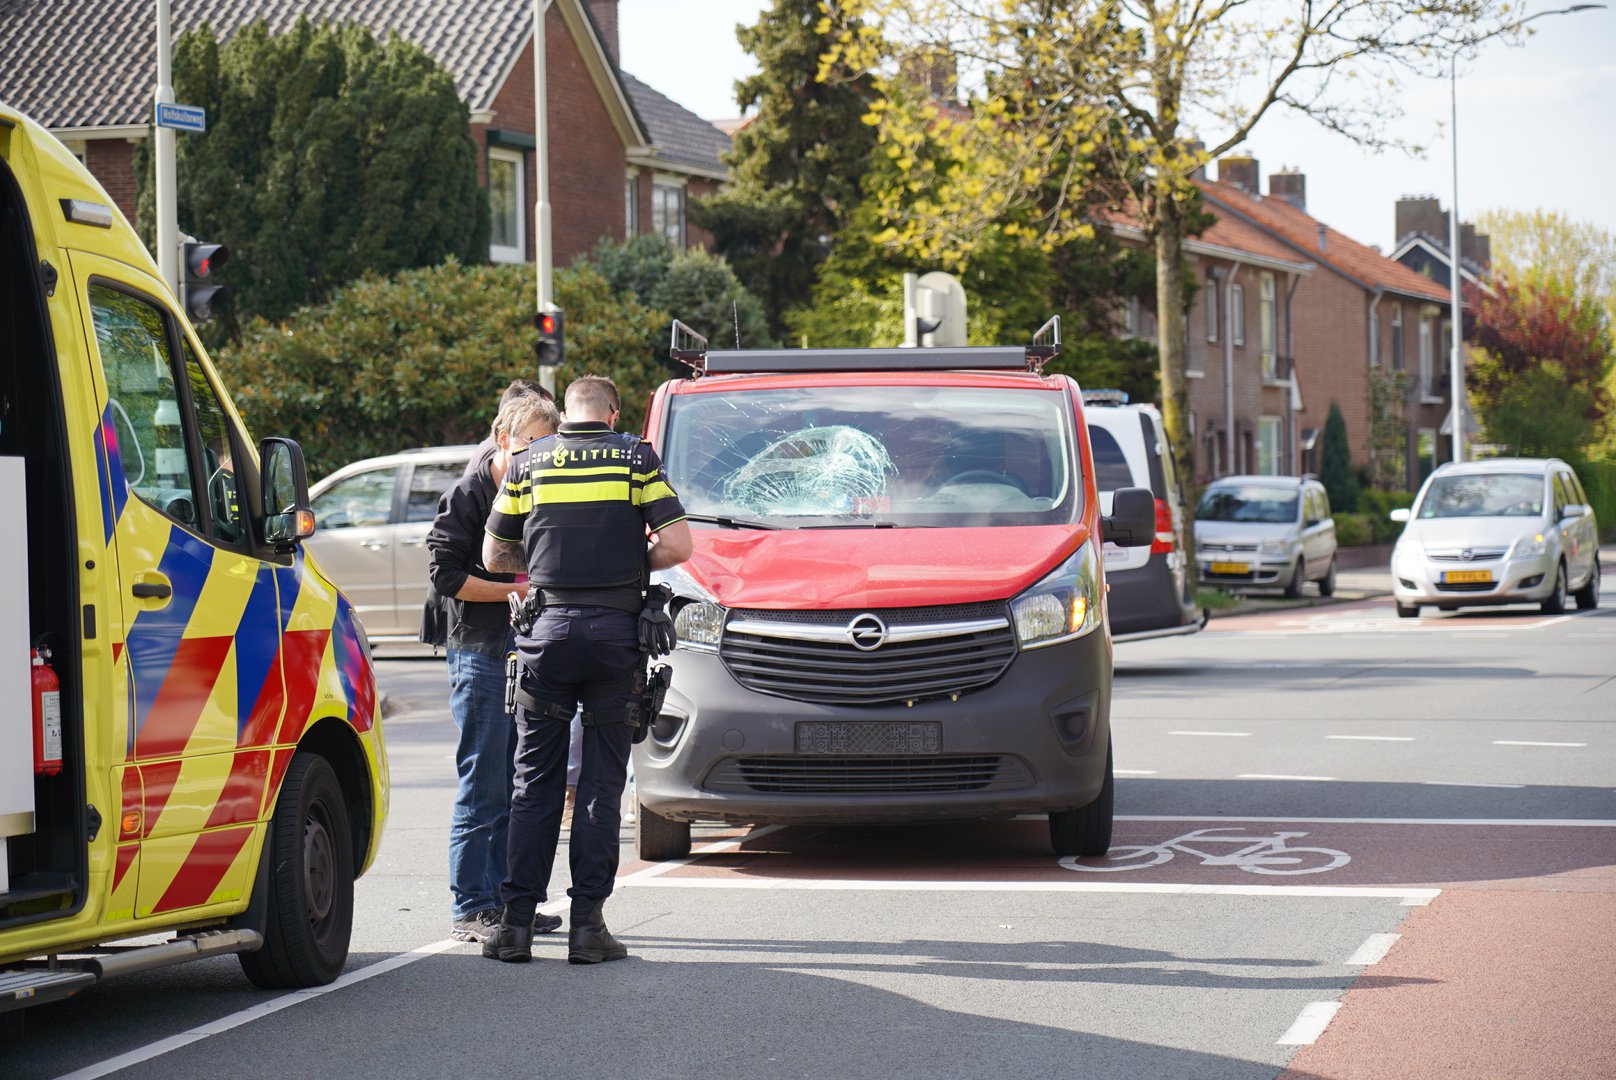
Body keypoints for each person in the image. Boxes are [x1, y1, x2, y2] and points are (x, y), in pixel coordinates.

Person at [480, 374, 692, 965]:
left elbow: (494, 555)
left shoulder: (529, 463)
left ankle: (515, 928)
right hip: (614, 638)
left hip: (545, 639)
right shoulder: (635, 458)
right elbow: (678, 547)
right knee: (600, 788)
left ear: (566, 412)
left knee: (532, 786)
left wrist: (548, 565)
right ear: (613, 412)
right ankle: (588, 928)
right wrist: (626, 563)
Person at [429, 391, 561, 943]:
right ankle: (471, 905)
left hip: (526, 647)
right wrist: (519, 588)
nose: (540, 451)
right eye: (531, 441)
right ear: (502, 438)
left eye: (547, 443)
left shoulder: (543, 489)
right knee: (483, 781)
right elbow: (447, 576)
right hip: (481, 652)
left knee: (517, 782)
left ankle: (509, 904)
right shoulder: (469, 490)